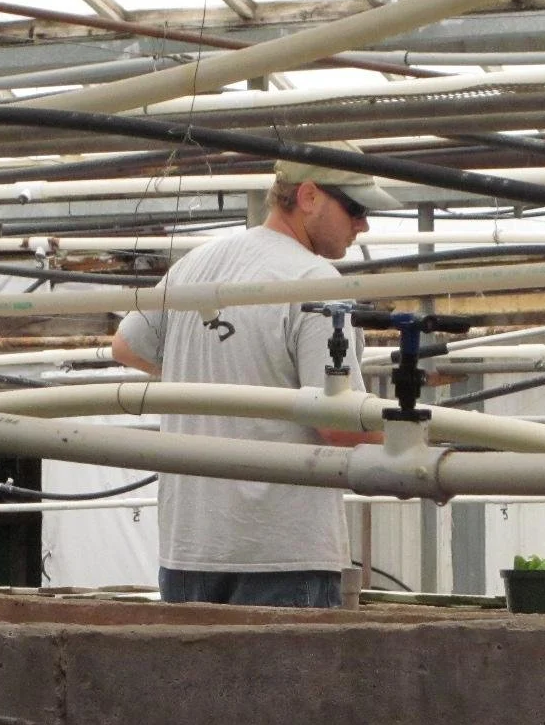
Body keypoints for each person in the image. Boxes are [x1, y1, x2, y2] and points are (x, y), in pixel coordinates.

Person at [110, 158, 397, 608]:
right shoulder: (314, 281)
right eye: (356, 208)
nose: (363, 225)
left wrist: (212, 372)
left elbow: (127, 346)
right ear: (308, 196)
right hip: (281, 552)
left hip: (190, 549)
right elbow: (340, 426)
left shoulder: (195, 266)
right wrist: (414, 448)